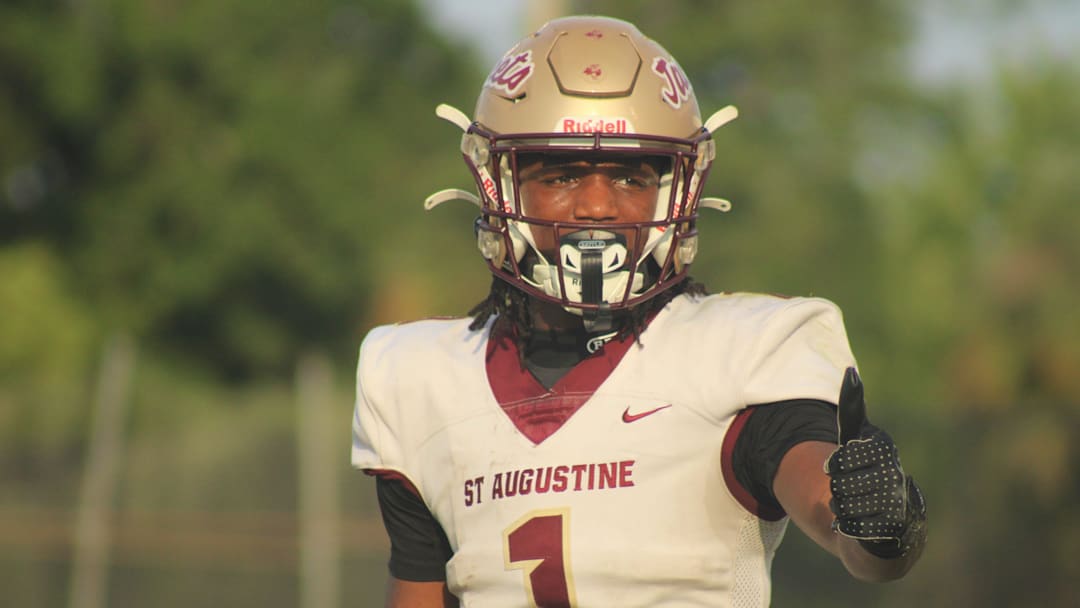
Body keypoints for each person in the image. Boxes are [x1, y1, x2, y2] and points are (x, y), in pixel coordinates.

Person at [352, 15, 926, 608]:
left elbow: (851, 536)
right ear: (502, 188)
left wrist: (878, 520)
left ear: (677, 187)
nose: (598, 205)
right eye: (562, 172)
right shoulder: (421, 378)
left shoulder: (745, 349)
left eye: (630, 175)